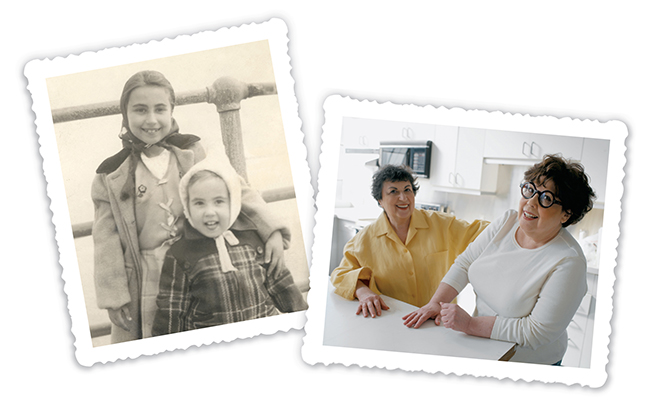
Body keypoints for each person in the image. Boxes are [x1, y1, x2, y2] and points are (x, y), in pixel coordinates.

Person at [92, 70, 289, 343]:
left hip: (196, 263)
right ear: (125, 114)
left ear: (172, 110)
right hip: (147, 275)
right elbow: (106, 239)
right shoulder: (110, 175)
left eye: (160, 109)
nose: (151, 120)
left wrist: (272, 230)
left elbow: (236, 187)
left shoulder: (191, 151)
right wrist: (114, 297)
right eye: (139, 110)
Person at [403, 154, 595, 365]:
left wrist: (470, 325)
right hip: (483, 349)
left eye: (546, 198)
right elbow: (465, 263)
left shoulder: (568, 261)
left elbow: (537, 332)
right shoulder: (508, 221)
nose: (530, 202)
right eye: (530, 190)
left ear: (566, 214)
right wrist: (435, 304)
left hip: (528, 363)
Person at [152, 158, 307, 335]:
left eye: (218, 201)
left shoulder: (253, 238)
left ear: (233, 203)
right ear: (187, 207)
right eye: (199, 203)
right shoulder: (179, 254)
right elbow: (171, 310)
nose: (209, 212)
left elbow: (280, 284)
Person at [330, 164, 489, 318]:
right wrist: (363, 292)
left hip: (438, 322)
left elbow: (484, 232)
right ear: (380, 200)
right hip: (393, 321)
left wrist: (511, 222)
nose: (403, 197)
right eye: (393, 191)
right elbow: (341, 274)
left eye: (408, 190)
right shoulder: (363, 240)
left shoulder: (443, 225)